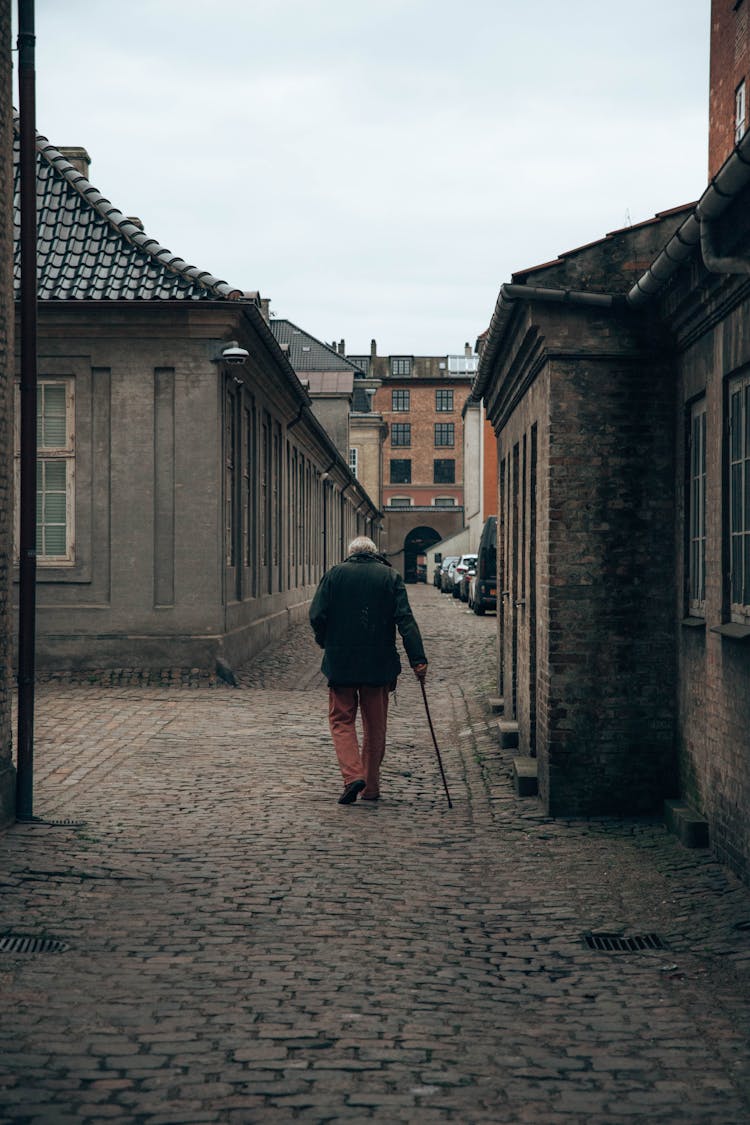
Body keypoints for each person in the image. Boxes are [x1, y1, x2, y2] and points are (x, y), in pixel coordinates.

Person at [309, 536, 428, 805]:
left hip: (342, 663)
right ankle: (371, 787)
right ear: (374, 554)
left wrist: (325, 641)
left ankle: (352, 776)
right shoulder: (390, 577)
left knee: (341, 720)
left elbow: (317, 615)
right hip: (378, 664)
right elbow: (405, 620)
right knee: (375, 727)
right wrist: (418, 659)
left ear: (351, 554)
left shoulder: (334, 575)